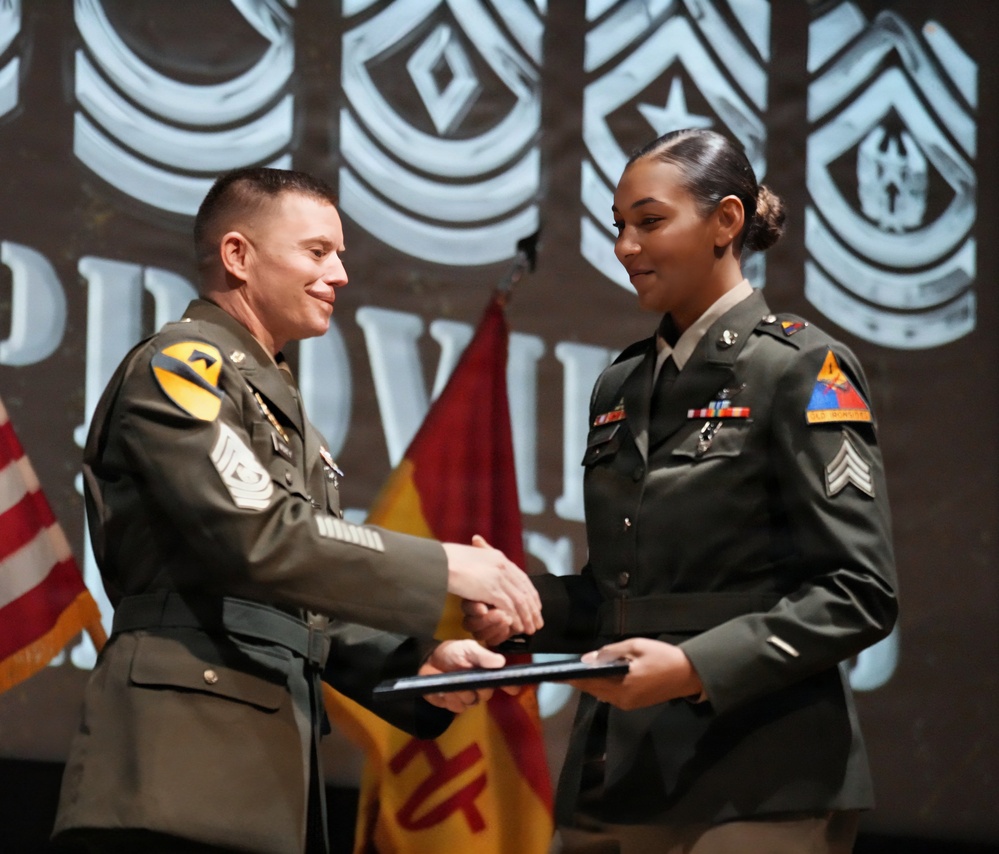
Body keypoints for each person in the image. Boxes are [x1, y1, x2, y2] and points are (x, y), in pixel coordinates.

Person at [53, 167, 542, 854]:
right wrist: (445, 566)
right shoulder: (180, 368)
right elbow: (260, 538)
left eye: (338, 254)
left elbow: (294, 604)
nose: (339, 273)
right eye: (317, 251)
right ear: (237, 256)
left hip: (256, 780)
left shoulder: (275, 399)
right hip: (173, 772)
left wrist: (415, 668)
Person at [466, 129, 898, 853]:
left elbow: (858, 592)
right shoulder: (621, 382)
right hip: (616, 776)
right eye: (618, 227)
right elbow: (621, 594)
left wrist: (695, 668)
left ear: (726, 222)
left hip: (759, 776)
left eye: (649, 221)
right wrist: (519, 608)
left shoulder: (801, 367)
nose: (625, 247)